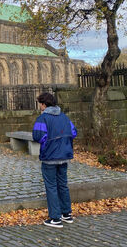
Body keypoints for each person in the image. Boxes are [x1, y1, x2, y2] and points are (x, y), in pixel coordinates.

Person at [32, 92, 77, 228]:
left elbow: (37, 136)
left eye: (40, 104)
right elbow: (73, 132)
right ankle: (67, 214)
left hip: (50, 157)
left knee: (51, 186)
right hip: (64, 156)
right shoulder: (64, 117)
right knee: (63, 184)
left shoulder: (43, 118)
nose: (40, 106)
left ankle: (55, 218)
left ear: (44, 105)